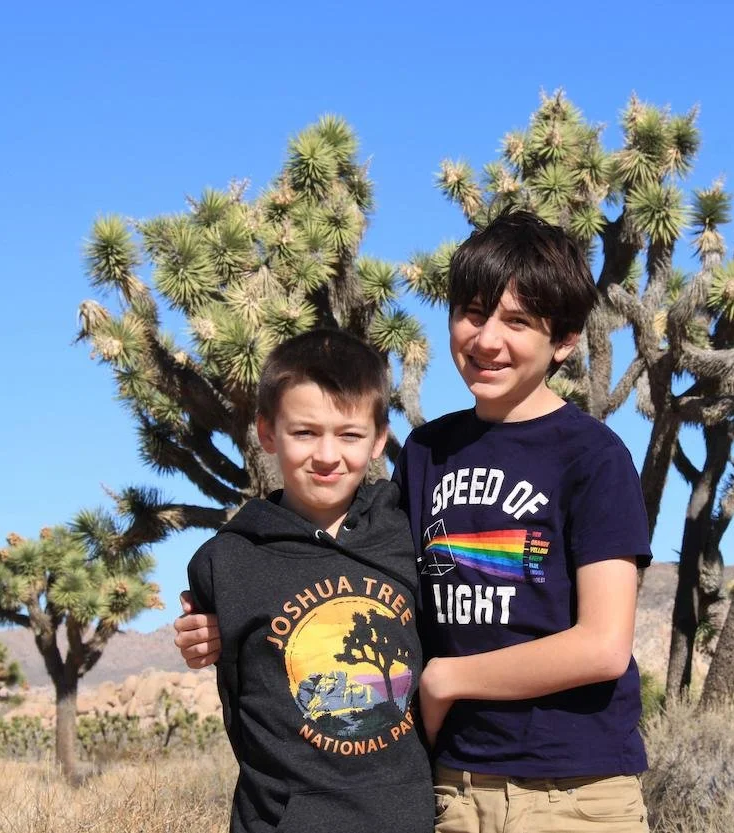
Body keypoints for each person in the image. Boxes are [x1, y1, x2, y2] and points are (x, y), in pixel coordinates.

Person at [178, 211, 653, 833]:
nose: (487, 340)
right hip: (451, 789)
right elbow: (348, 558)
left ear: (563, 341)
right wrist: (227, 612)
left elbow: (602, 646)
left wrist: (447, 678)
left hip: (574, 788)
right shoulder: (428, 451)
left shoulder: (592, 457)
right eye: (473, 313)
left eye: (517, 322)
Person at [184, 328, 432, 833]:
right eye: (304, 432)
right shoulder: (227, 561)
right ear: (268, 432)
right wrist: (198, 639)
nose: (326, 455)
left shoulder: (405, 533)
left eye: (349, 434)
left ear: (379, 438)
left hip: (409, 818)